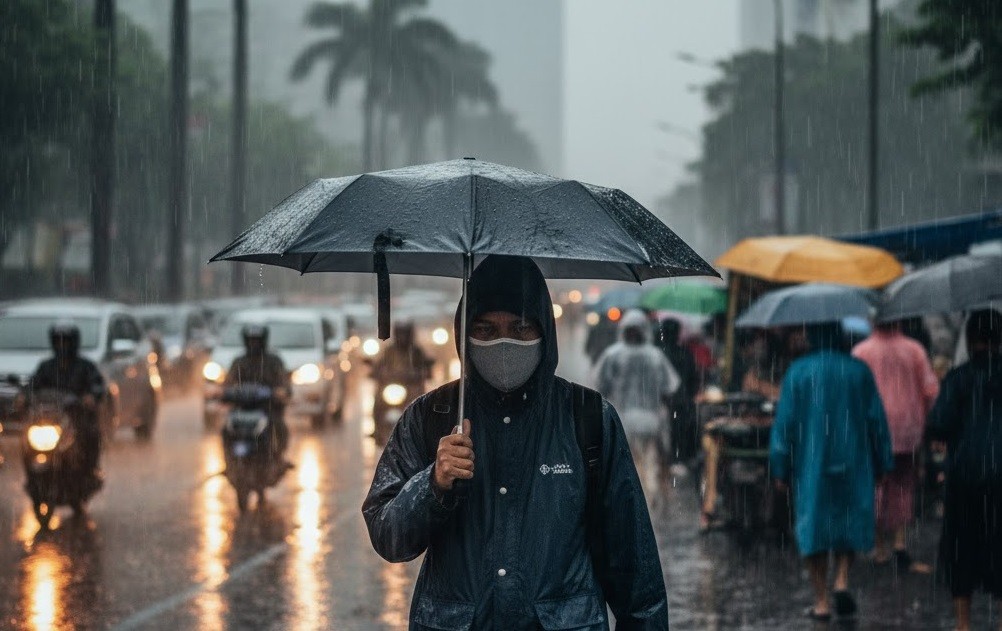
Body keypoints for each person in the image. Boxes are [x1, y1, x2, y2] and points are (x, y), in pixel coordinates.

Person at [362, 255, 669, 630]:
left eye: (521, 328)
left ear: (544, 331)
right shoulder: (432, 416)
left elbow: (635, 570)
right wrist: (433, 484)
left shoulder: (587, 418)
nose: (504, 342)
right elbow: (388, 536)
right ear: (464, 333)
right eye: (486, 330)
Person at [769, 322, 893, 621]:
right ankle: (842, 579)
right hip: (853, 458)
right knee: (849, 521)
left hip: (811, 463)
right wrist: (883, 461)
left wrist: (780, 465)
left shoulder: (798, 372)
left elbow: (784, 424)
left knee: (813, 527)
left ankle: (822, 600)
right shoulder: (858, 371)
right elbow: (877, 419)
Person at [927, 309, 1002, 631]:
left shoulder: (958, 378)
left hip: (965, 475)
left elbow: (938, 425)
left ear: (970, 341)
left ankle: (963, 624)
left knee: (962, 548)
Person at [852, 319, 940, 573]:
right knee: (904, 485)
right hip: (908, 428)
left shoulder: (861, 352)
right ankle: (899, 544)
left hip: (873, 428)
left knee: (877, 485)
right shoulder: (914, 350)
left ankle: (879, 546)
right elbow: (931, 390)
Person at [595, 309, 680, 460]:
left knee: (626, 463)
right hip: (648, 420)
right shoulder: (655, 356)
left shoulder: (612, 354)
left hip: (623, 420)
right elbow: (669, 388)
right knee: (648, 465)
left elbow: (601, 386)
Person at [27, 322, 107, 476]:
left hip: (77, 417)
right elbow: (33, 385)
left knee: (91, 433)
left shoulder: (86, 366)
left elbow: (97, 385)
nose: (62, 345)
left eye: (66, 341)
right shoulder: (46, 367)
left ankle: (91, 468)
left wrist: (90, 397)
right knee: (26, 437)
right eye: (58, 341)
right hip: (51, 417)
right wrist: (23, 396)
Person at [224, 324, 291, 456]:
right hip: (242, 409)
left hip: (268, 408)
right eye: (250, 340)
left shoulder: (273, 362)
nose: (253, 344)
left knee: (278, 426)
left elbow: (284, 384)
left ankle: (276, 456)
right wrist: (222, 392)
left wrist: (280, 392)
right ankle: (229, 458)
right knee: (226, 429)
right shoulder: (239, 362)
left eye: (256, 340)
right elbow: (228, 383)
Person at [656, 318, 699, 466]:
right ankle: (680, 459)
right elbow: (694, 378)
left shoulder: (658, 355)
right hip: (683, 401)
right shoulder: (685, 353)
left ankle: (670, 461)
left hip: (665, 402)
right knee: (681, 431)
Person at [372, 320, 434, 387]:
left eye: (405, 334)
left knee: (421, 395)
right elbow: (380, 363)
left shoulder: (416, 351)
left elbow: (424, 364)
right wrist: (376, 371)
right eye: (400, 334)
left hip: (412, 386)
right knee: (379, 394)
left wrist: (426, 371)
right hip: (391, 385)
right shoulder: (389, 351)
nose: (402, 337)